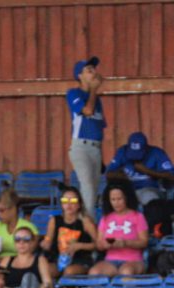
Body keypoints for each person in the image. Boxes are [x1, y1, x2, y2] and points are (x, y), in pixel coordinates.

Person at [66, 57, 107, 218]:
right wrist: (94, 90)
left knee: (93, 190)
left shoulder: (97, 100)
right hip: (80, 147)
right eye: (89, 70)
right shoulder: (74, 93)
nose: (94, 72)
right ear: (80, 76)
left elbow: (99, 128)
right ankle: (88, 226)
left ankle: (84, 221)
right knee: (87, 186)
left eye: (94, 69)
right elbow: (87, 111)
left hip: (95, 148)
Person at [105, 131, 174, 208]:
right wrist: (122, 176)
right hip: (126, 190)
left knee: (151, 199)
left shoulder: (156, 153)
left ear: (146, 148)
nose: (135, 158)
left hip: (148, 189)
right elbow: (109, 174)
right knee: (113, 199)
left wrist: (148, 171)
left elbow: (172, 176)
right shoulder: (122, 151)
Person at [90, 184, 149, 277]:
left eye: (119, 199)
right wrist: (104, 245)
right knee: (94, 272)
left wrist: (125, 243)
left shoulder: (137, 216)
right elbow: (99, 244)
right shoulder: (105, 218)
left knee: (126, 272)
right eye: (113, 200)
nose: (116, 203)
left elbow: (144, 242)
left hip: (133, 260)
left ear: (126, 198)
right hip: (110, 260)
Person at [42, 186, 99, 280]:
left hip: (80, 260)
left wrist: (80, 246)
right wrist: (45, 243)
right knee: (46, 270)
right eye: (65, 200)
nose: (69, 204)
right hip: (57, 259)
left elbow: (98, 244)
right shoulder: (54, 220)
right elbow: (48, 241)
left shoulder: (86, 222)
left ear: (79, 204)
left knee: (69, 271)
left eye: (73, 201)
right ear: (61, 204)